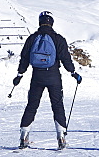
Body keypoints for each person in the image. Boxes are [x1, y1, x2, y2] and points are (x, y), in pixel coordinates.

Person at [14, 11, 80, 149]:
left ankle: (24, 137)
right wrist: (73, 73)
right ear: (52, 23)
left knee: (32, 105)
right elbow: (66, 58)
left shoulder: (32, 38)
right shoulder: (58, 39)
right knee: (57, 105)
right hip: (54, 76)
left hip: (37, 76)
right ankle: (61, 137)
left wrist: (20, 75)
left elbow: (24, 58)